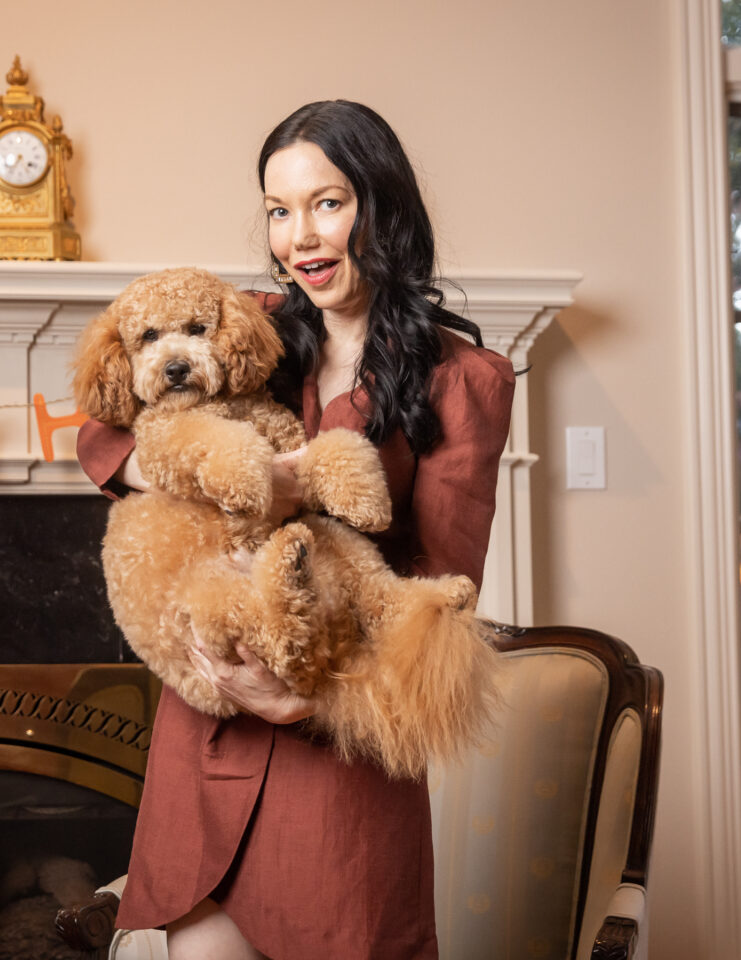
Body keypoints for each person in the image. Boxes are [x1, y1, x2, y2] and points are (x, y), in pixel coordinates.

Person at [75, 99, 516, 960]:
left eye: (327, 203)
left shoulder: (465, 381)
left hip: (337, 774)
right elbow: (102, 429)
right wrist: (216, 471)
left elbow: (433, 609)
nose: (299, 237)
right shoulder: (245, 328)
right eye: (279, 210)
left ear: (380, 207)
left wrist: (299, 700)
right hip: (203, 747)